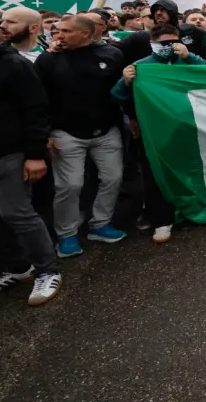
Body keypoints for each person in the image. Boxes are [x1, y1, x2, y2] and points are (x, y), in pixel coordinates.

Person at [0, 13, 62, 306]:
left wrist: (35, 156)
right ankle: (17, 268)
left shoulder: (13, 64)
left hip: (9, 153)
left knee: (17, 213)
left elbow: (36, 110)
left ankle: (47, 269)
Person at [35, 15, 127, 257]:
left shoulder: (112, 55)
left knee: (113, 178)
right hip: (66, 133)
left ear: (86, 33)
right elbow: (38, 101)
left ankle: (100, 224)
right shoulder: (48, 60)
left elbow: (122, 90)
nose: (59, 35)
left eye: (66, 31)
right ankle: (66, 235)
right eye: (57, 31)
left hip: (106, 130)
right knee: (70, 185)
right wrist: (44, 134)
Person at [111, 23, 206, 243]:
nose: (168, 47)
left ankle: (198, 210)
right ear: (152, 44)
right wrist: (125, 82)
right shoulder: (141, 66)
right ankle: (162, 220)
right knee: (156, 174)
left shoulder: (187, 61)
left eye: (172, 42)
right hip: (155, 131)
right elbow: (118, 97)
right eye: (162, 43)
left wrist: (190, 57)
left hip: (189, 126)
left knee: (193, 169)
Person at [117, 0, 206, 65]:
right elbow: (113, 49)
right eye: (155, 10)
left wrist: (189, 56)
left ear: (173, 12)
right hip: (156, 83)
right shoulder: (142, 36)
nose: (158, 13)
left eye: (163, 9)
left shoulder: (190, 30)